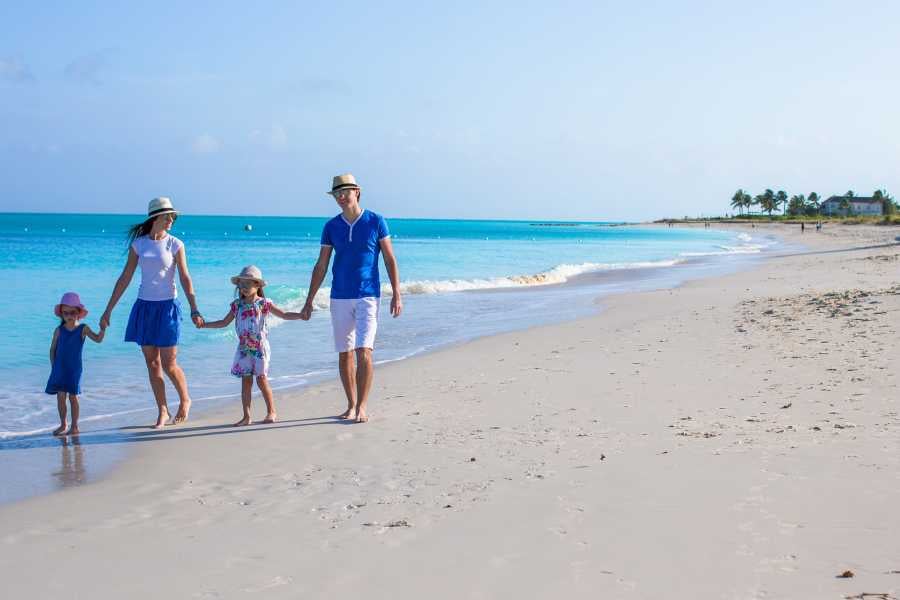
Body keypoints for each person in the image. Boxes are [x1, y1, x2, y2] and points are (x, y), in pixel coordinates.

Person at [300, 174, 402, 423]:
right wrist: (309, 299)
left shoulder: (376, 221)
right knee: (344, 353)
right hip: (339, 296)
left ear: (357, 191)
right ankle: (351, 404)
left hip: (368, 295)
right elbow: (321, 265)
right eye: (336, 194)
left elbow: (389, 258)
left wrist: (396, 294)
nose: (341, 197)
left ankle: (363, 406)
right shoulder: (331, 227)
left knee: (363, 350)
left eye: (345, 192)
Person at [100, 197, 203, 428]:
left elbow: (185, 278)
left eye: (173, 217)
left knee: (169, 363)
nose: (171, 220)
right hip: (144, 307)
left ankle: (185, 399)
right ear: (156, 217)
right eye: (168, 216)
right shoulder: (139, 245)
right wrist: (108, 310)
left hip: (168, 307)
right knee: (152, 363)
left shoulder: (176, 244)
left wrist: (194, 307)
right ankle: (162, 410)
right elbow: (125, 278)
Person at [199, 265, 304, 426]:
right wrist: (204, 325)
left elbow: (283, 314)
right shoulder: (237, 305)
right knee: (246, 382)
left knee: (262, 380)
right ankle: (246, 416)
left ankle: (271, 412)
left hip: (260, 348)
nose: (244, 287)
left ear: (258, 285)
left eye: (248, 284)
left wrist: (301, 315)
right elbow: (223, 322)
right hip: (243, 349)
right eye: (241, 284)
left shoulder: (264, 303)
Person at [46, 292, 106, 436]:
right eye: (65, 313)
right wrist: (54, 366)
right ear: (62, 314)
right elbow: (52, 349)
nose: (69, 315)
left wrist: (103, 329)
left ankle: (75, 426)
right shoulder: (59, 330)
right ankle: (63, 424)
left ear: (78, 313)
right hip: (59, 368)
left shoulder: (82, 329)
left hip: (74, 369)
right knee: (60, 397)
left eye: (72, 312)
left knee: (73, 397)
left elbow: (98, 339)